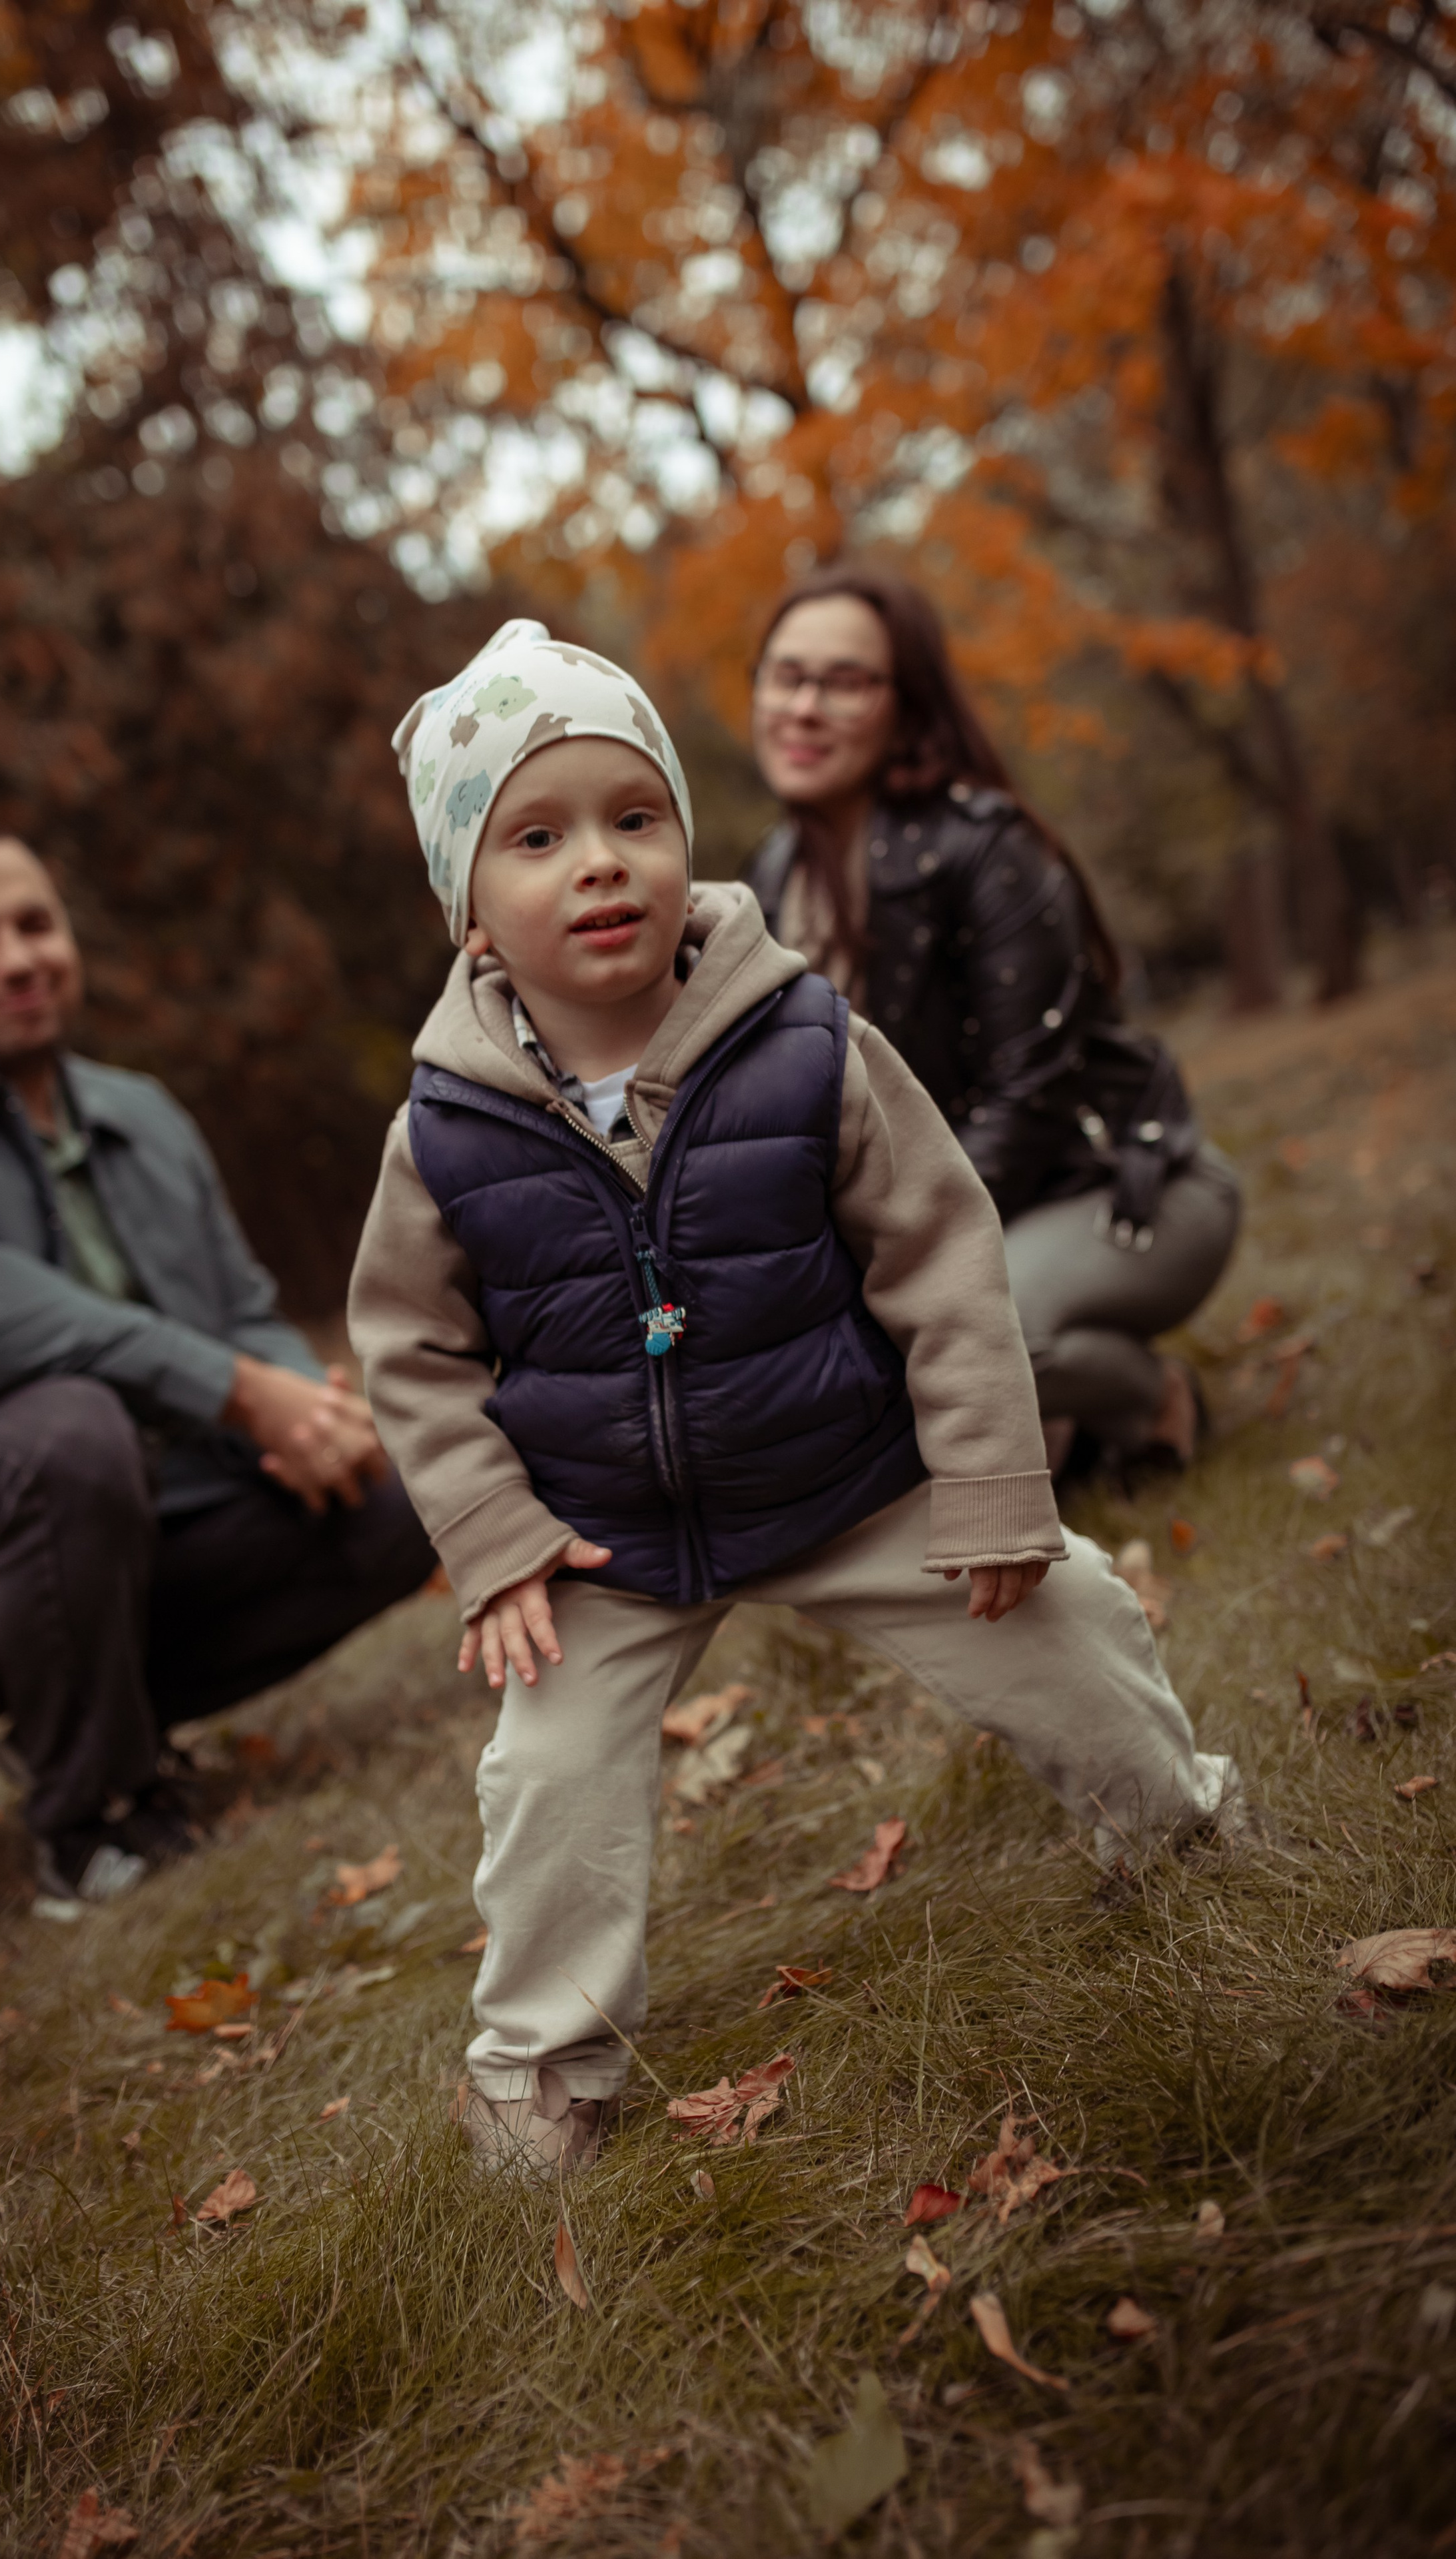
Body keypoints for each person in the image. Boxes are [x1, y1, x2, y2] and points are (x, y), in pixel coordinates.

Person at [348, 618, 1238, 2180]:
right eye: (537, 838)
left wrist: (983, 1483)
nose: (600, 864)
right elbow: (408, 1352)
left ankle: (1174, 1823)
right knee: (544, 1780)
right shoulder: (447, 1131)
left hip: (846, 1465)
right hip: (603, 1533)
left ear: (681, 838)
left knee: (1063, 1617)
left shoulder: (799, 1040)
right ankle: (541, 2067)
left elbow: (942, 1251)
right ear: (467, 913)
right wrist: (492, 1537)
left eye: (634, 818)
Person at [0, 824, 434, 1901]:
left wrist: (307, 1410)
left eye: (35, 923)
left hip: (148, 1521)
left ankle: (77, 1726)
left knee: (405, 1495)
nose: (19, 956)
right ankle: (93, 1822)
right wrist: (239, 1389)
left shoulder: (139, 1114)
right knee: (68, 1428)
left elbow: (241, 1311)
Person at [745, 566, 1241, 1480]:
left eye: (845, 681)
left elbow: (1030, 1099)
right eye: (786, 675)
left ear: (909, 703)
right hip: (978, 1213)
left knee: (967, 1334)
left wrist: (901, 1272)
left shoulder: (985, 844)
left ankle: (1152, 1398)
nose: (804, 706)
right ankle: (1054, 1425)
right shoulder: (776, 875)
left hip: (1126, 1190)